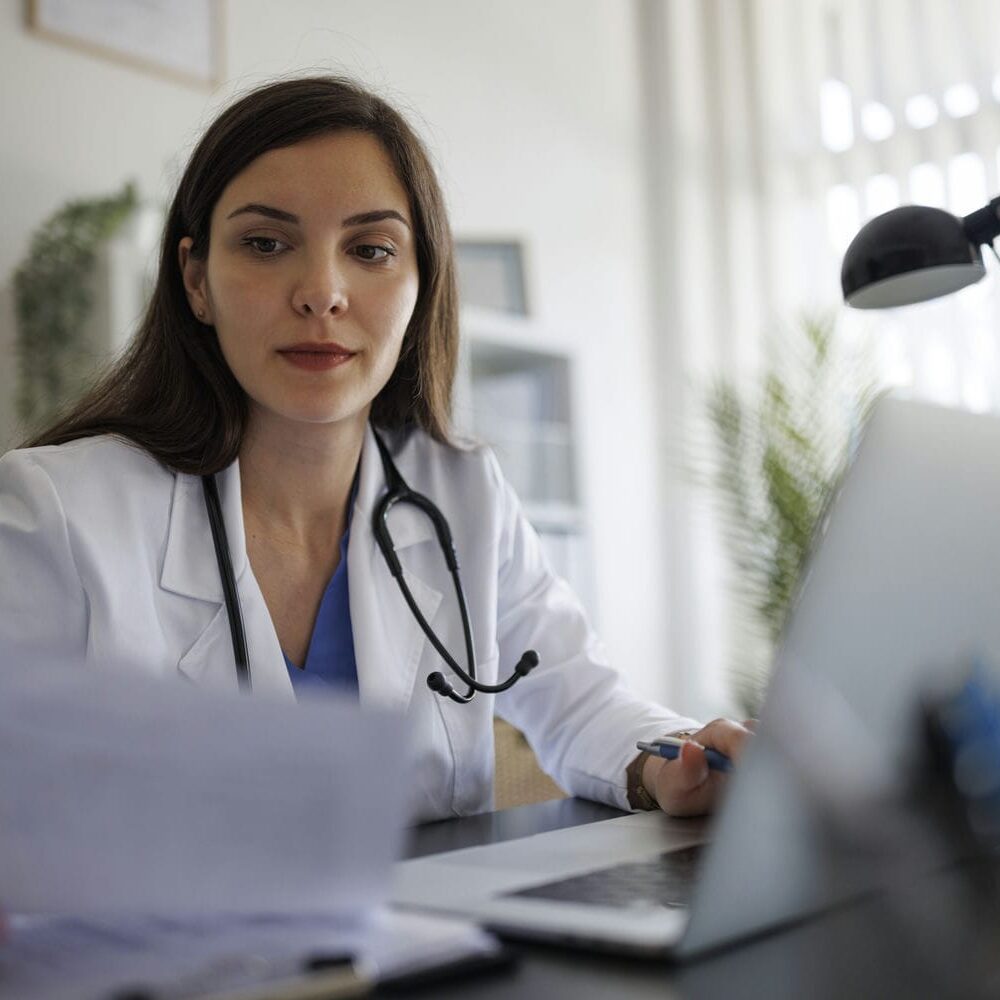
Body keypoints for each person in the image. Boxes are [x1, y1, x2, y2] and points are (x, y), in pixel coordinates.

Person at [0, 76, 751, 823]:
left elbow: (583, 701)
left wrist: (675, 760)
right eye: (265, 244)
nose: (322, 292)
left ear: (422, 285)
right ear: (197, 281)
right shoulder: (55, 515)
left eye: (370, 249)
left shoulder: (461, 493)